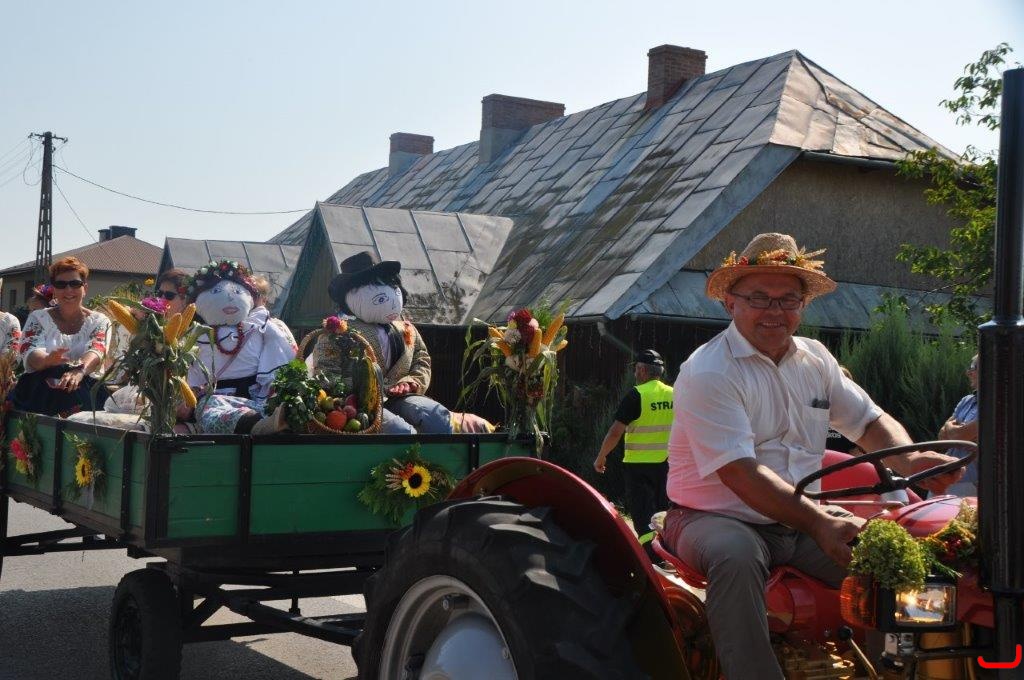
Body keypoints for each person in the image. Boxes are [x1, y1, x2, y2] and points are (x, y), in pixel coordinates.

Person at [662, 232, 963, 680]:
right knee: (734, 556)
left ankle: (896, 669)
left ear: (802, 306)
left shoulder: (816, 359)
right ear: (731, 303)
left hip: (798, 517)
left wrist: (912, 462)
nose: (774, 311)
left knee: (888, 556)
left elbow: (868, 422)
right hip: (713, 516)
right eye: (759, 297)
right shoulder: (709, 371)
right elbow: (741, 474)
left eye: (788, 300)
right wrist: (820, 523)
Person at [311, 250, 451, 434]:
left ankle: (443, 453)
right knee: (400, 431)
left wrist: (411, 382)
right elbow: (326, 372)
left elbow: (421, 359)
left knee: (437, 417)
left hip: (401, 397)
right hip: (359, 403)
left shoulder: (406, 328)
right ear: (349, 297)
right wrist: (358, 393)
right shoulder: (338, 333)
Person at [183, 260, 296, 434]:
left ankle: (263, 421)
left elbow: (280, 349)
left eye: (238, 292)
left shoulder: (257, 324)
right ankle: (255, 424)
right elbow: (191, 373)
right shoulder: (197, 335)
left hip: (250, 396)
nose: (229, 298)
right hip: (213, 398)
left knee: (261, 408)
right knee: (211, 414)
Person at [593, 349, 672, 555]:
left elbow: (615, 432)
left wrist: (601, 457)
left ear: (643, 370)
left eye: (636, 369)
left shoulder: (636, 395)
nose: (635, 374)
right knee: (663, 513)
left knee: (643, 515)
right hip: (667, 466)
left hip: (639, 467)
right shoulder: (674, 394)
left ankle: (651, 557)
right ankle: (667, 553)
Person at [12, 257, 111, 415]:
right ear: (54, 290)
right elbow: (30, 350)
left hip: (85, 389)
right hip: (40, 392)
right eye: (61, 284)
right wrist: (47, 360)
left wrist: (79, 370)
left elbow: (97, 350)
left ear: (85, 288)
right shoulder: (38, 318)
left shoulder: (99, 321)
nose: (68, 289)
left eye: (75, 283)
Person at [937, 353, 979, 496]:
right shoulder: (966, 400)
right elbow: (942, 437)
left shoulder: (997, 403)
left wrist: (951, 428)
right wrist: (959, 432)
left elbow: (959, 435)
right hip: (949, 477)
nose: (968, 372)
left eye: (973, 367)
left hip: (972, 482)